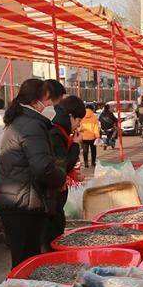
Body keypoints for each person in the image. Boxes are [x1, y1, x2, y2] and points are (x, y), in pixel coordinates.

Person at [0, 78, 67, 266]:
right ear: (35, 102)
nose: (50, 105)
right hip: (22, 201)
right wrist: (61, 178)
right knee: (26, 261)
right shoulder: (31, 125)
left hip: (16, 197)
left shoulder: (21, 121)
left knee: (22, 258)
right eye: (48, 100)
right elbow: (42, 166)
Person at [46, 95, 86, 241]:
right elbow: (63, 166)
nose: (78, 125)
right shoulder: (56, 134)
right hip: (51, 199)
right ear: (70, 116)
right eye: (78, 120)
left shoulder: (58, 130)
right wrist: (75, 145)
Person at [78, 103, 100, 167]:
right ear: (92, 109)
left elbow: (79, 126)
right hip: (92, 137)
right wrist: (97, 136)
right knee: (93, 150)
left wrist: (80, 130)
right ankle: (93, 163)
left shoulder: (82, 116)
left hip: (84, 136)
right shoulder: (94, 117)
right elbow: (96, 128)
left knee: (85, 151)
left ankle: (86, 163)